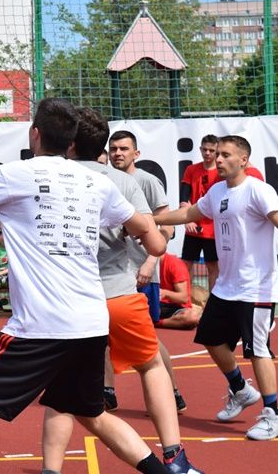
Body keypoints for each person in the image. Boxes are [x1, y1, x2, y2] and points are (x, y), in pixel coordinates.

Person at [0, 98, 172, 474]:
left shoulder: (16, 174)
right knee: (91, 414)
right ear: (72, 142)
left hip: (41, 326)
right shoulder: (97, 182)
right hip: (91, 323)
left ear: (36, 134)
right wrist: (154, 240)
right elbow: (148, 232)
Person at [42, 109, 201, 474]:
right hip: (117, 293)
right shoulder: (122, 183)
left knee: (62, 389)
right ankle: (174, 456)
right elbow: (156, 243)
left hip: (68, 299)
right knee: (152, 367)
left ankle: (51, 469)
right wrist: (146, 235)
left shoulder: (50, 177)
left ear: (68, 144)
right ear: (104, 146)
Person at [156, 134, 278, 441]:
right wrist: (151, 218)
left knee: (257, 350)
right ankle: (240, 389)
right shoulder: (217, 192)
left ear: (242, 159)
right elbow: (189, 214)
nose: (220, 160)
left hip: (256, 288)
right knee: (211, 339)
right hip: (227, 287)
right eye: (219, 155)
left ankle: (273, 414)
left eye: (226, 155)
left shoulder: (258, 191)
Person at [108, 130, 186, 414]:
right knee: (101, 333)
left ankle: (172, 391)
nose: (118, 153)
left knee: (148, 341)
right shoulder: (105, 180)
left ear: (136, 153)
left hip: (142, 271)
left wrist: (151, 262)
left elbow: (166, 226)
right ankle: (106, 392)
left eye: (124, 149)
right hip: (113, 273)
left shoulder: (147, 182)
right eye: (114, 148)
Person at [179, 134, 263, 290]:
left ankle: (212, 299)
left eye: (213, 151)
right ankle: (187, 302)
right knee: (185, 264)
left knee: (213, 266)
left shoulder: (230, 174)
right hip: (194, 226)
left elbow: (250, 172)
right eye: (205, 150)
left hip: (213, 230)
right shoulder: (192, 169)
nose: (209, 154)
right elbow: (184, 200)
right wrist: (187, 220)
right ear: (200, 150)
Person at [156, 253, 202, 330]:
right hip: (152, 305)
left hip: (174, 307)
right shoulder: (141, 262)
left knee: (192, 317)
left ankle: (156, 323)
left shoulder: (174, 264)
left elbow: (183, 298)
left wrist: (165, 293)